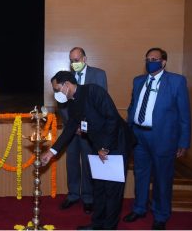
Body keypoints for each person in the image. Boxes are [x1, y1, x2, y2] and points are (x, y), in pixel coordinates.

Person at [41, 71, 135, 230]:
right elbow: (70, 128)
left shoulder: (93, 91)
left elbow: (112, 118)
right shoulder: (72, 102)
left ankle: (110, 227)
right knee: (98, 187)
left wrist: (105, 147)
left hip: (116, 143)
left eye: (57, 89)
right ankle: (97, 224)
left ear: (67, 85)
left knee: (112, 190)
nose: (56, 93)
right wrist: (52, 152)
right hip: (97, 145)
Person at [123, 47, 191, 230]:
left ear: (163, 62)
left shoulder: (177, 81)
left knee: (162, 177)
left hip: (163, 138)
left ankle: (161, 214)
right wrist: (129, 130)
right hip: (139, 136)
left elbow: (184, 114)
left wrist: (184, 141)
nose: (149, 61)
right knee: (141, 174)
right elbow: (132, 107)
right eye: (147, 58)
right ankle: (139, 208)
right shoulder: (138, 81)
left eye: (154, 58)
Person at [58, 47, 107, 213]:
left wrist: (86, 124)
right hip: (71, 129)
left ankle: (88, 197)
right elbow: (62, 105)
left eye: (77, 60)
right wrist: (73, 125)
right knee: (71, 162)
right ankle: (72, 195)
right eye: (71, 61)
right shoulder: (65, 77)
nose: (74, 64)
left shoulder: (99, 75)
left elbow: (101, 102)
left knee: (88, 162)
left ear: (84, 59)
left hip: (90, 130)